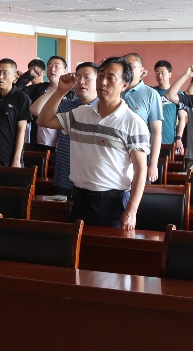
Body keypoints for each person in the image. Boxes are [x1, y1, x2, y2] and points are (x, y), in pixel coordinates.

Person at [36, 57, 148, 229]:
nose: (103, 82)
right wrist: (60, 91)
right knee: (74, 245)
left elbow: (140, 169)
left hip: (111, 203)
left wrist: (132, 210)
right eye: (101, 75)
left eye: (110, 78)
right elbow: (44, 120)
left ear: (124, 85)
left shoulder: (133, 123)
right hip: (77, 199)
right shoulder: (80, 114)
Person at [30, 62, 97, 193]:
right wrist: (59, 89)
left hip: (92, 179)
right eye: (78, 77)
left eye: (87, 77)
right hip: (67, 172)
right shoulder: (69, 106)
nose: (81, 81)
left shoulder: (103, 109)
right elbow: (36, 110)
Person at [120, 53, 163, 182]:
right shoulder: (115, 90)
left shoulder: (151, 94)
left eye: (131, 66)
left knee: (138, 191)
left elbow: (156, 132)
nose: (127, 69)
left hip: (140, 155)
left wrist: (153, 164)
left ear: (141, 70)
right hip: (115, 154)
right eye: (124, 65)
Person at [21, 56, 68, 153]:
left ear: (64, 71)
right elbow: (17, 92)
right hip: (38, 144)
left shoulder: (71, 92)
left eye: (56, 66)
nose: (52, 69)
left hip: (60, 147)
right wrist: (29, 75)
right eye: (49, 66)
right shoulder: (39, 88)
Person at [153, 60, 187, 157]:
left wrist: (179, 138)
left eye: (163, 73)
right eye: (157, 73)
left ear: (170, 74)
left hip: (170, 140)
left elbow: (182, 119)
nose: (160, 76)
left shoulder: (178, 94)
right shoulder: (151, 92)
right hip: (151, 139)